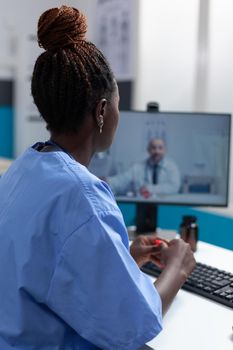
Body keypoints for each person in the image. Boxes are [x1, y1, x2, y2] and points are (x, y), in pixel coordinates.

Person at [0, 6, 195, 350]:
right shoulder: (81, 196)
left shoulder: (24, 169)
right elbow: (133, 326)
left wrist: (123, 257)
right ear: (102, 111)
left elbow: (44, 263)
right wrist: (178, 267)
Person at [107, 137, 181, 198]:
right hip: (143, 205)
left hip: (165, 207)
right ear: (148, 150)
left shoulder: (172, 167)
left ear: (165, 150)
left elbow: (174, 187)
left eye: (160, 148)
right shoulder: (137, 167)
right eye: (153, 148)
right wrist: (107, 181)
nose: (157, 151)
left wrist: (149, 188)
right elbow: (122, 180)